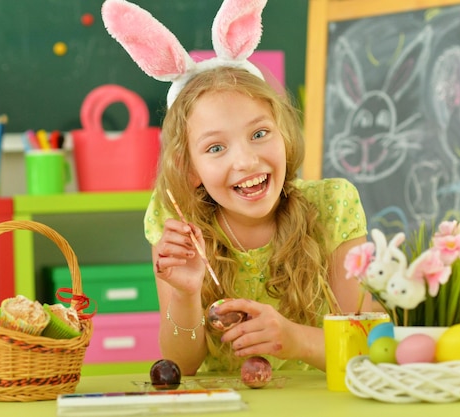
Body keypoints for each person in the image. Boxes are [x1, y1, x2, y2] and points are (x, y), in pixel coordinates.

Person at [101, 0, 370, 376]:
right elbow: (181, 365)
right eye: (215, 148)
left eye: (259, 134)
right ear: (189, 168)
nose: (245, 161)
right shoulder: (175, 221)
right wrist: (185, 293)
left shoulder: (334, 205)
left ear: (284, 135)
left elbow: (373, 347)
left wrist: (294, 340)